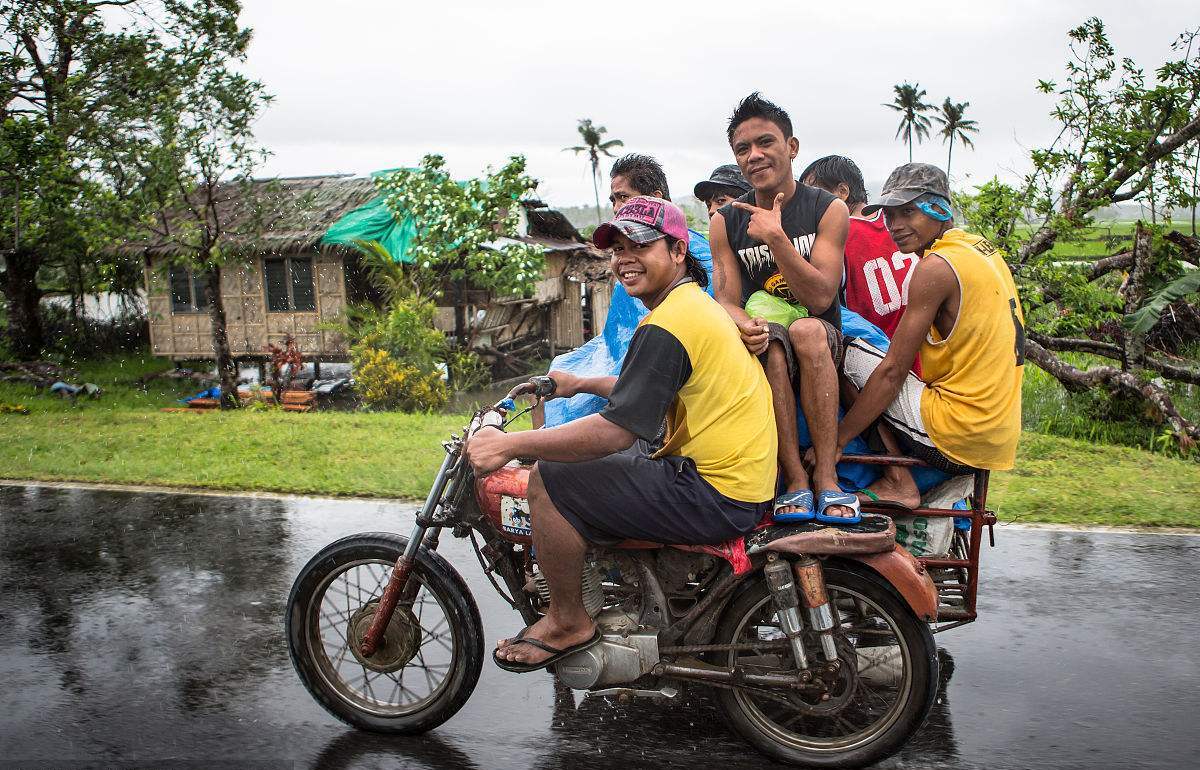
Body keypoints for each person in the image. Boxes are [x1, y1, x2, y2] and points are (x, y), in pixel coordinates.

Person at [467, 197, 777, 672]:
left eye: (640, 245)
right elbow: (645, 389)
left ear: (678, 250)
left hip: (716, 492)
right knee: (600, 463)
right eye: (617, 249)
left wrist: (508, 444)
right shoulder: (693, 305)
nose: (625, 258)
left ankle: (567, 620)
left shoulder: (669, 323)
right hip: (738, 482)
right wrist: (581, 382)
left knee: (549, 478)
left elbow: (613, 431)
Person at [829, 163, 1024, 497]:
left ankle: (896, 481)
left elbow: (893, 371)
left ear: (940, 208)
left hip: (958, 432)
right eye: (890, 215)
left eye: (908, 212)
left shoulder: (935, 268)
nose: (895, 226)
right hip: (998, 432)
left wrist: (838, 440)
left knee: (847, 348)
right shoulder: (979, 248)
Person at [708, 92, 856, 522]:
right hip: (768, 343)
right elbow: (726, 300)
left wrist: (776, 238)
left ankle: (826, 478)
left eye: (765, 142)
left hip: (819, 339)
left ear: (791, 147)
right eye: (743, 149)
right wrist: (743, 323)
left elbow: (821, 297)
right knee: (770, 343)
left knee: (806, 330)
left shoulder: (828, 209)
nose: (754, 155)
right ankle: (794, 479)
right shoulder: (725, 222)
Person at [800, 155, 920, 362]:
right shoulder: (904, 225)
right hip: (928, 356)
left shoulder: (833, 239)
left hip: (878, 360)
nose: (808, 205)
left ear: (842, 192)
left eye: (814, 195)